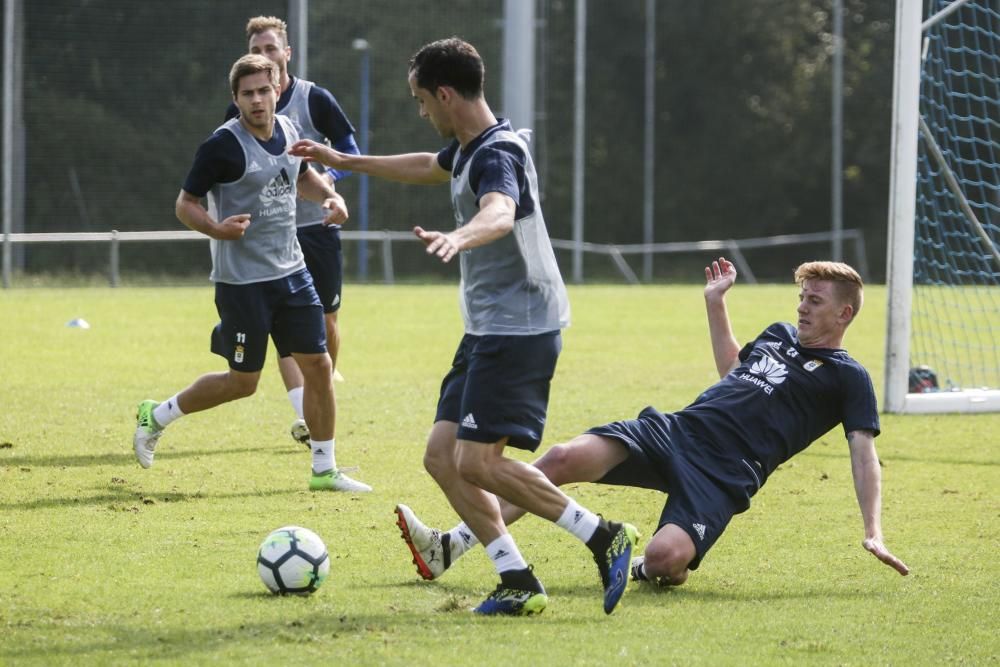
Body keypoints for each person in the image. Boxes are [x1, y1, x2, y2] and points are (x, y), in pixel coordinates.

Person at [290, 37, 638, 616]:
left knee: (477, 462)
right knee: (441, 456)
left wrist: (461, 235)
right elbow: (428, 166)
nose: (421, 112)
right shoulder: (470, 146)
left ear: (445, 94)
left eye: (421, 101)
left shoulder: (496, 154)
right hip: (487, 328)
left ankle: (605, 536)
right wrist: (347, 162)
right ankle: (517, 578)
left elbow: (499, 212)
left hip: (520, 328)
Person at [394, 258, 910, 588]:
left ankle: (642, 565)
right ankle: (452, 545)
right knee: (561, 458)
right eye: (801, 297)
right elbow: (735, 372)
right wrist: (716, 306)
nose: (801, 307)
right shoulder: (777, 334)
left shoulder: (848, 377)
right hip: (677, 430)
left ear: (844, 315)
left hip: (725, 473)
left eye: (814, 301)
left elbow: (864, 455)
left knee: (665, 560)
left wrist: (873, 530)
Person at [132, 54, 370, 493]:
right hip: (242, 283)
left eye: (264, 90)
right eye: (248, 94)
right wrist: (216, 228)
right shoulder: (222, 145)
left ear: (278, 88)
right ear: (236, 98)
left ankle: (325, 469)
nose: (258, 100)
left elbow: (302, 177)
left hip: (292, 270)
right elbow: (186, 203)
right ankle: (158, 414)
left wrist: (330, 199)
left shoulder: (292, 131)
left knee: (318, 365)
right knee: (243, 383)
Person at [227, 16, 362, 455]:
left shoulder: (314, 98)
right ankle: (306, 416)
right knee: (287, 330)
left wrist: (328, 181)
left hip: (316, 226)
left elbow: (350, 151)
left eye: (271, 49)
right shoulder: (241, 109)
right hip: (269, 238)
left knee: (325, 321)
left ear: (287, 54)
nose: (264, 57)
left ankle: (319, 399)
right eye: (257, 49)